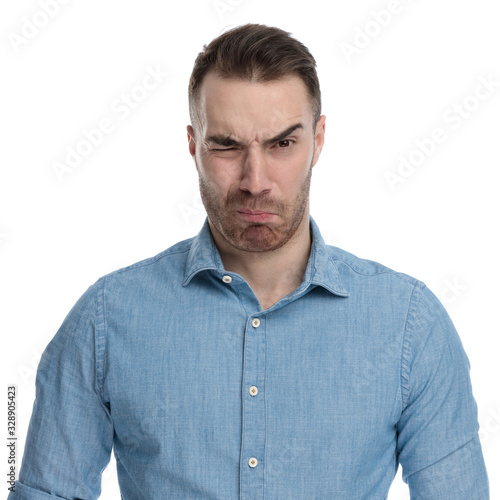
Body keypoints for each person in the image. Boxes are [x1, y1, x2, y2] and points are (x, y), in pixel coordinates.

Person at [10, 23, 489, 499]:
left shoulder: (409, 324)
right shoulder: (105, 320)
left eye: (282, 143)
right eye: (227, 145)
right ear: (194, 145)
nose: (255, 180)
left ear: (318, 140)